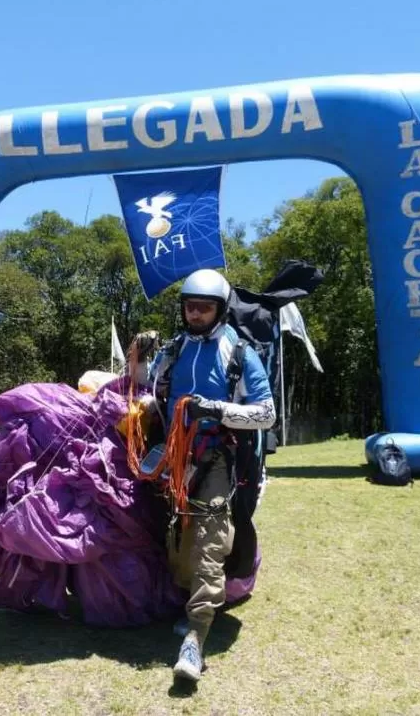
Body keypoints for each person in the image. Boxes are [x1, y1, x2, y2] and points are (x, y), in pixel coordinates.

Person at [147, 269, 275, 682]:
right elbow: (148, 392)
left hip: (219, 459)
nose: (196, 313)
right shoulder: (174, 349)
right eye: (190, 306)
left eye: (204, 307)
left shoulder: (238, 354)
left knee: (208, 542)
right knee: (180, 539)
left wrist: (218, 410)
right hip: (176, 461)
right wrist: (137, 355)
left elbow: (267, 413)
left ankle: (195, 640)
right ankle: (192, 607)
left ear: (220, 310)